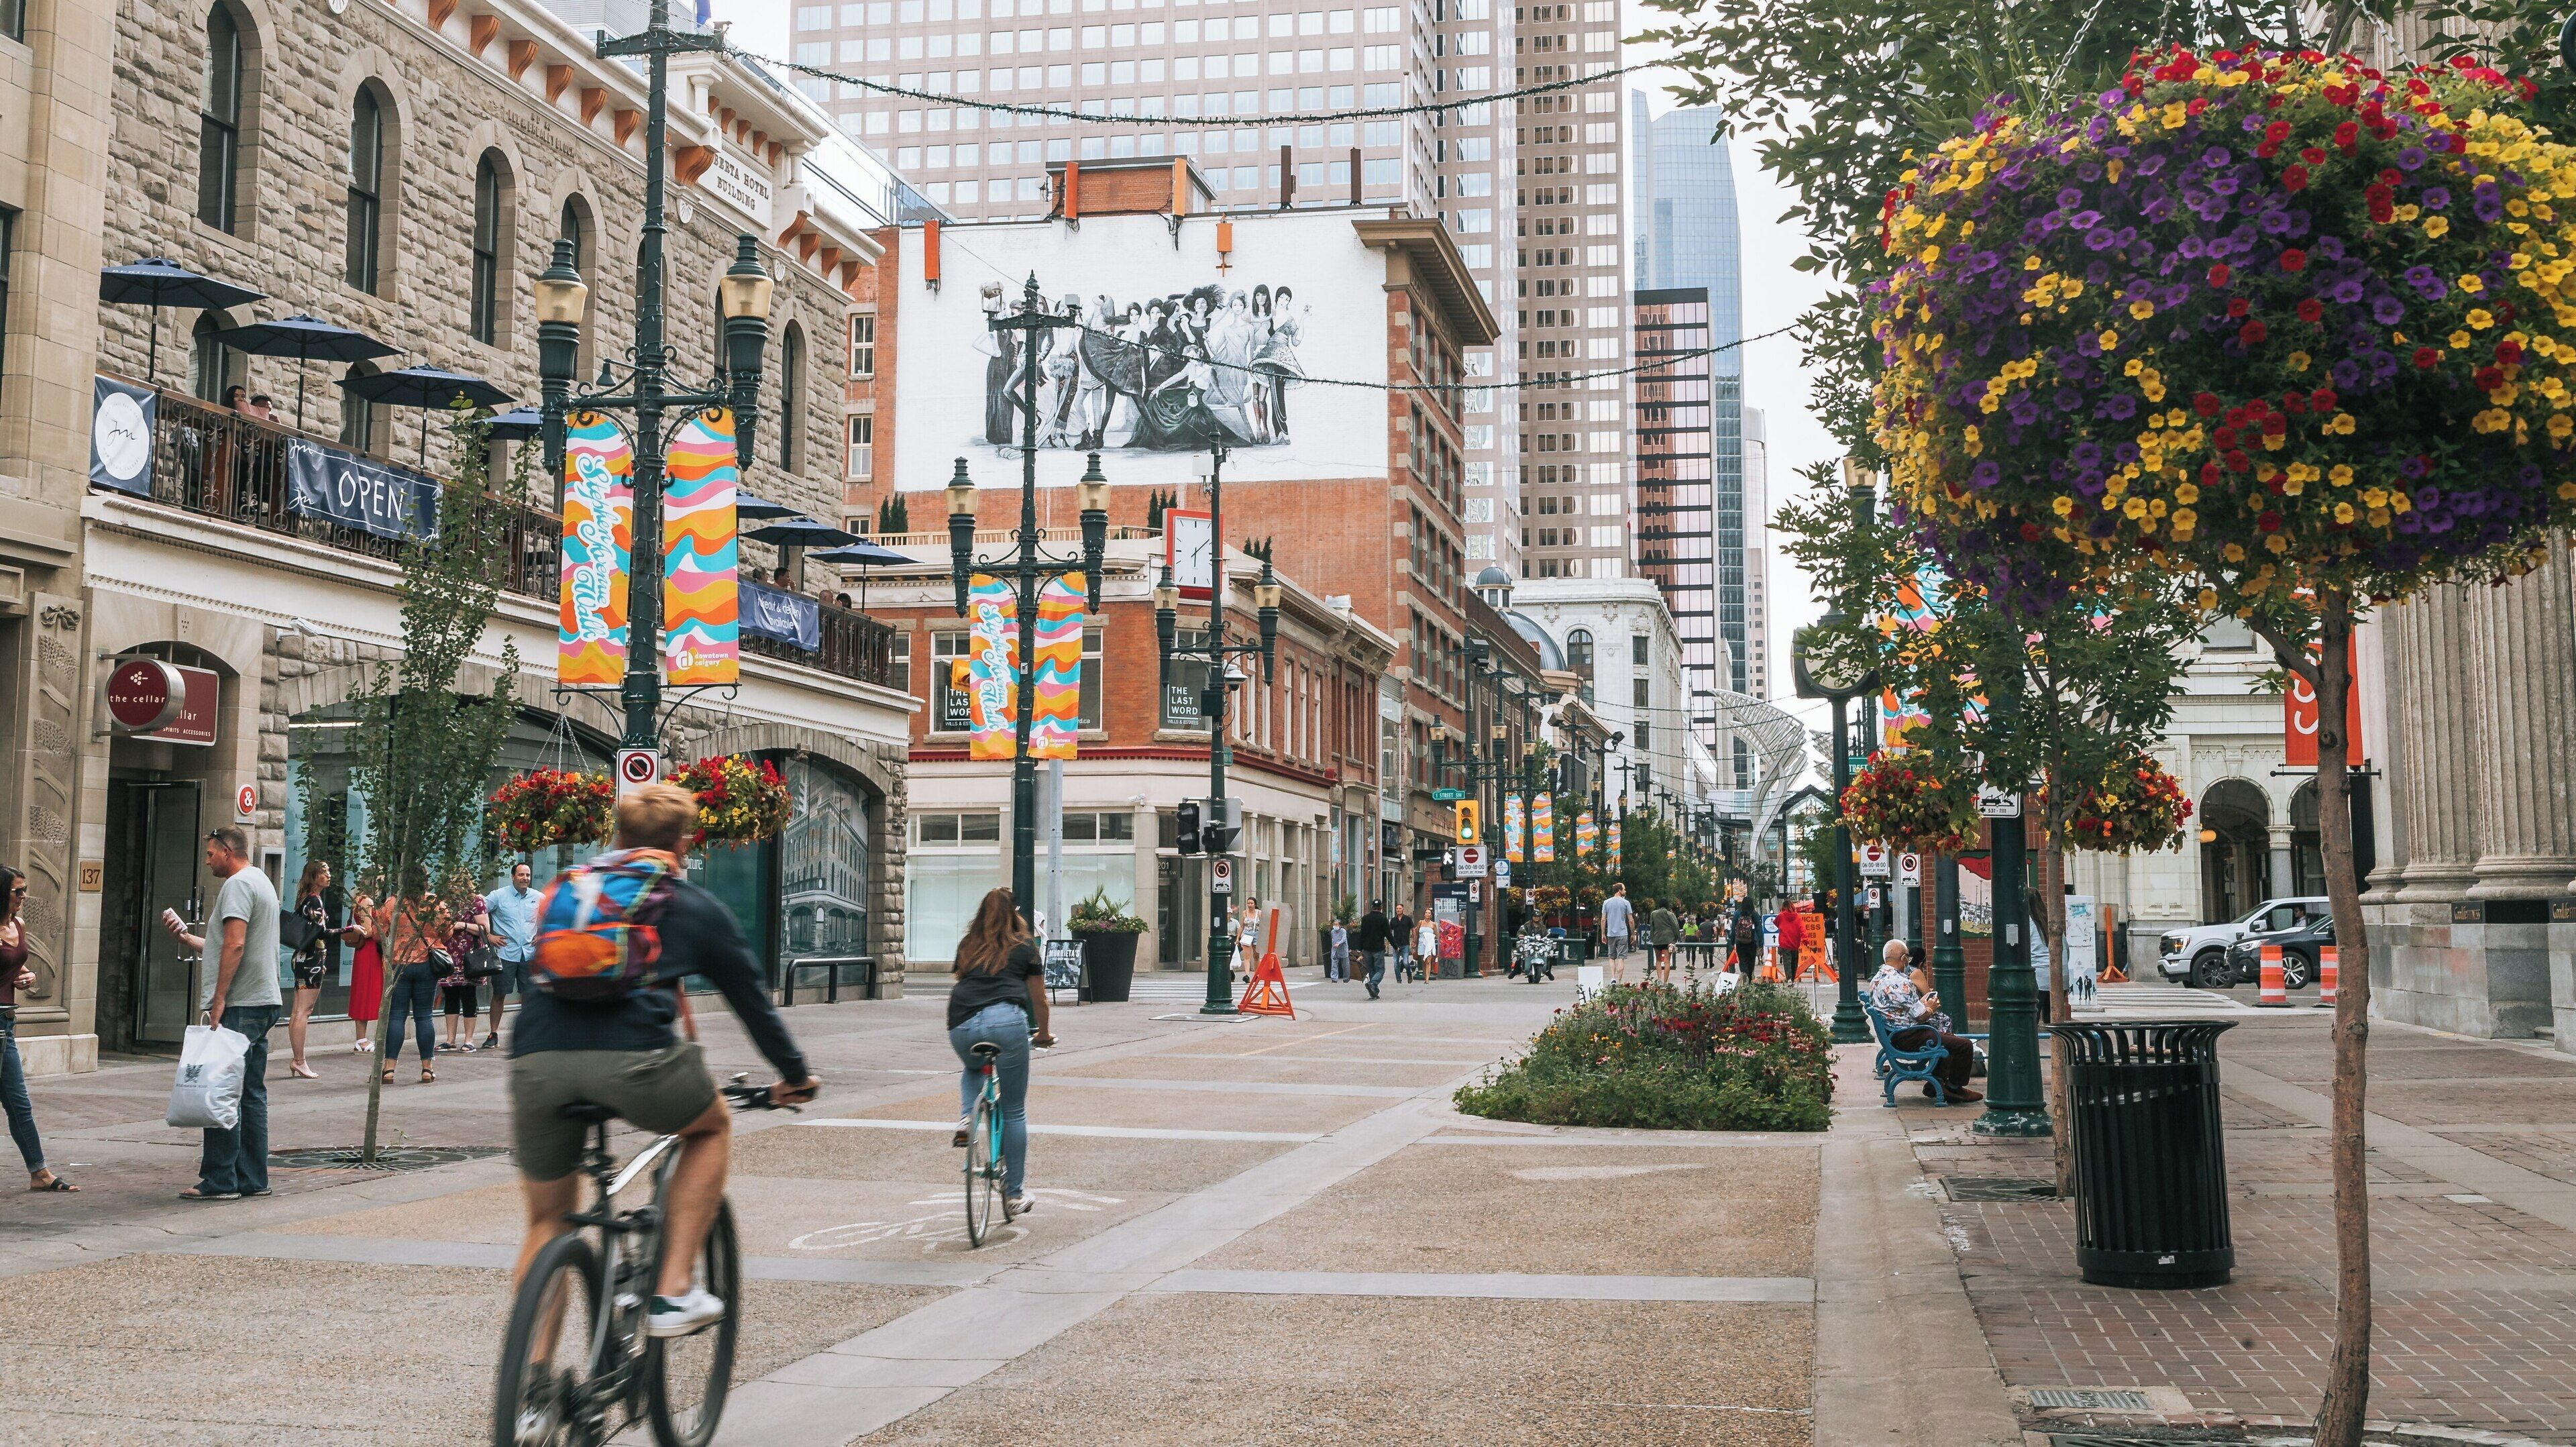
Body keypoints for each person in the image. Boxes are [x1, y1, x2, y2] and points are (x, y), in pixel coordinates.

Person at [508, 783, 818, 1337]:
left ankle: (532, 1402)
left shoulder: (568, 890)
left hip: (536, 1057)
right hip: (637, 1060)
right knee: (711, 1126)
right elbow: (754, 1009)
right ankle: (672, 1290)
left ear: (618, 835)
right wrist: (794, 1077)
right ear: (682, 844)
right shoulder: (690, 904)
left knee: (549, 1222)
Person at [158, 828, 282, 1201]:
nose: (208, 860)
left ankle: (219, 1180)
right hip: (262, 1000)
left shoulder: (237, 886)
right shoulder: (261, 881)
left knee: (221, 1090)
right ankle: (252, 1179)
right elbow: (224, 945)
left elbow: (236, 943)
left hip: (240, 1003)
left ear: (228, 852)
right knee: (250, 1093)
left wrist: (218, 999)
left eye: (212, 853)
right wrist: (188, 938)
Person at [945, 888, 1054, 1214]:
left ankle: (966, 1119)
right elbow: (1040, 1000)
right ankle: (1014, 1194)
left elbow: (962, 979)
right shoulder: (1025, 947)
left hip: (961, 1022)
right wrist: (1044, 1035)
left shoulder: (968, 945)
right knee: (1015, 1109)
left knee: (973, 1068)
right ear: (1015, 914)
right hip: (1006, 1023)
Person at [2, 867, 74, 1192]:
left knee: (19, 1103)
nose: (23, 896)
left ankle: (39, 1173)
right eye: (18, 891)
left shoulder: (18, 925)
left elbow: (16, 964)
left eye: (25, 890)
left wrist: (26, 975)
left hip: (6, 1024)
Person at [1868, 938, 1979, 1104]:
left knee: (1948, 1039)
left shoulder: (1876, 980)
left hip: (1895, 1034)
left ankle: (1937, 1084)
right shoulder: (1900, 982)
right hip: (1909, 1035)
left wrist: (1922, 1005)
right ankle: (1955, 1088)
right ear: (1904, 958)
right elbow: (1921, 1016)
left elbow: (1902, 1008)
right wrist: (1931, 1007)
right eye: (1908, 959)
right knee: (1964, 1045)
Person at [284, 860, 364, 1079]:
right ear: (314, 876)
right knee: (304, 1012)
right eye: (324, 871)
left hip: (301, 959)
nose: (329, 875)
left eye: (329, 870)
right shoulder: (315, 901)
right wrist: (351, 928)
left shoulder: (305, 899)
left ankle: (297, 1060)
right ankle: (299, 1061)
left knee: (297, 1011)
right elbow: (323, 933)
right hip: (312, 960)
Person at [372, 865, 447, 1084]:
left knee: (396, 1015)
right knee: (424, 1016)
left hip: (398, 964)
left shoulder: (392, 904)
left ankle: (389, 1069)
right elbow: (448, 930)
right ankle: (426, 1069)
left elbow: (377, 934)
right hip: (427, 964)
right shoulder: (435, 904)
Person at [481, 861, 540, 1051]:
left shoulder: (538, 898)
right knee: (499, 995)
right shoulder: (498, 896)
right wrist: (489, 936)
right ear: (513, 876)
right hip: (505, 954)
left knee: (528, 995)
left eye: (528, 875)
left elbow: (551, 916)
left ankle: (527, 1034)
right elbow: (477, 912)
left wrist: (542, 935)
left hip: (528, 955)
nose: (525, 879)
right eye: (522, 875)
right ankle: (493, 1034)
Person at [439, 877, 489, 1053]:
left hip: (470, 956)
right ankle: (450, 1040)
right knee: (450, 995)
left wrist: (463, 925)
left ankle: (469, 1040)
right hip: (449, 955)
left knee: (468, 995)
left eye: (456, 883)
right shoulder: (444, 903)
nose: (453, 888)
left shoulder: (476, 901)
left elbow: (485, 929)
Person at [347, 872, 384, 1053]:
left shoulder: (358, 899)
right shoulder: (367, 901)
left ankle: (361, 1038)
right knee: (366, 993)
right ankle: (361, 1040)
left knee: (363, 992)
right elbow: (368, 931)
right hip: (369, 951)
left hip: (363, 952)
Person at [1355, 900, 1389, 999]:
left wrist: (1360, 948)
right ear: (1381, 907)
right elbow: (1388, 934)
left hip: (1367, 949)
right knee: (1380, 970)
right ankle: (1373, 983)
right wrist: (1395, 947)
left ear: (1371, 907)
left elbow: (1362, 934)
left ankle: (1374, 991)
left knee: (1371, 970)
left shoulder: (1365, 918)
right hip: (1378, 948)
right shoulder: (1383, 919)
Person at [1601, 883, 1634, 975]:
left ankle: (1613, 978)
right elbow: (1631, 920)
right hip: (1623, 933)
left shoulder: (1606, 902)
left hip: (1611, 934)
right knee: (1621, 958)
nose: (1625, 891)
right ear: (1620, 890)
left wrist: (1603, 933)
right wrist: (1633, 934)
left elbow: (1603, 919)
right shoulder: (1626, 903)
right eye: (1624, 889)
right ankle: (1619, 981)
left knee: (1612, 958)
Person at [1646, 900, 1680, 985]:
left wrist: (1653, 938)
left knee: (1658, 960)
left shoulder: (1653, 914)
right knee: (1667, 961)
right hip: (1669, 940)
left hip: (1657, 939)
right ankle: (1665, 982)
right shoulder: (1670, 914)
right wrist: (1677, 938)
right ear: (1667, 906)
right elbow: (1675, 926)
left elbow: (1652, 927)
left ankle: (1659, 979)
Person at [1773, 903, 1805, 983]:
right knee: (1794, 963)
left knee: (1787, 962)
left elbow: (1776, 923)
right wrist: (1806, 941)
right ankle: (1792, 979)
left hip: (1785, 943)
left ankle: (1789, 979)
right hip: (1795, 944)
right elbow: (1803, 930)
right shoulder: (1798, 917)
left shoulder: (1781, 916)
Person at [1389, 904, 1416, 983]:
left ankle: (1409, 975)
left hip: (1405, 944)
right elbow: (1389, 933)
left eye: (1400, 908)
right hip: (1396, 945)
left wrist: (1414, 941)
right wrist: (1389, 942)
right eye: (1397, 908)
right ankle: (1399, 980)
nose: (1398, 910)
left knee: (1405, 962)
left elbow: (1413, 930)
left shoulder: (1408, 919)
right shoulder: (1393, 920)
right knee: (1396, 963)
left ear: (1403, 909)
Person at [1328, 918, 1350, 983]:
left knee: (1345, 966)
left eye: (1336, 924)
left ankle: (1346, 979)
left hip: (1343, 951)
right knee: (1334, 965)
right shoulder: (1333, 932)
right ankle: (1334, 979)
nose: (1335, 926)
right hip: (1335, 951)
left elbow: (1344, 939)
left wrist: (1339, 943)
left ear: (1340, 925)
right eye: (1334, 924)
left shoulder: (1343, 931)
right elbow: (1333, 939)